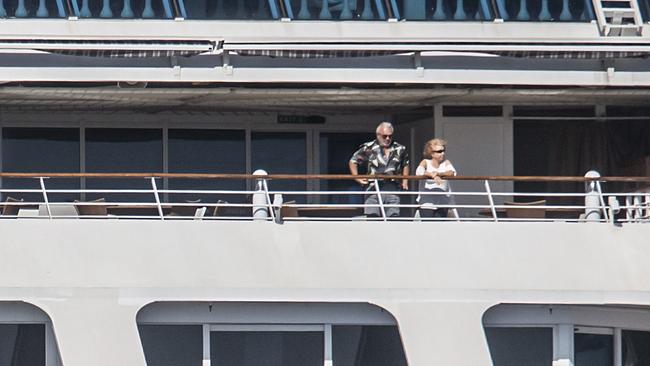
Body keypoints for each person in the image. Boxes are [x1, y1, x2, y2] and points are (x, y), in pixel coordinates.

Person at [349, 122, 410, 217]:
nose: (388, 139)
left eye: (390, 136)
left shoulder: (400, 148)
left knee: (393, 217)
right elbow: (353, 161)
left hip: (392, 187)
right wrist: (357, 178)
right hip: (373, 187)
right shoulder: (368, 147)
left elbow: (405, 164)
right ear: (378, 135)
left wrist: (405, 180)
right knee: (372, 217)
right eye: (385, 136)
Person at [416, 138, 457, 218]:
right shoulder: (426, 162)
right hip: (427, 204)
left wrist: (439, 174)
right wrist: (432, 175)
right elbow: (419, 172)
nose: (442, 153)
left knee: (440, 228)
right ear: (431, 153)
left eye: (443, 150)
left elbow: (452, 173)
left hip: (442, 203)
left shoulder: (446, 163)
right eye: (439, 152)